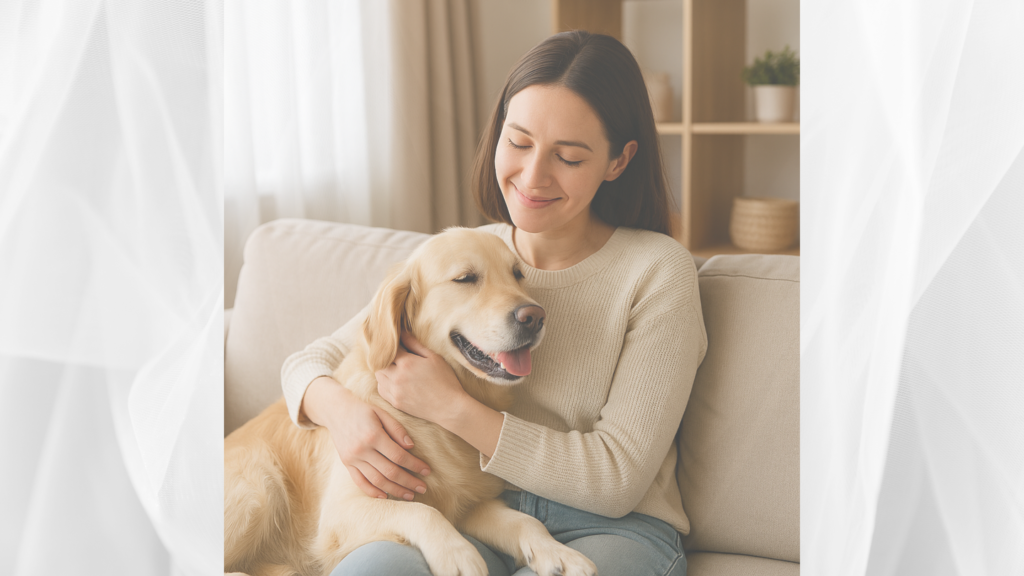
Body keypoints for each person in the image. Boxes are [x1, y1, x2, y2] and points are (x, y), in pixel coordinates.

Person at [281, 30, 707, 576]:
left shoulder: (656, 271)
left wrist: (452, 407)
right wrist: (339, 412)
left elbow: (616, 478)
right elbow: (308, 363)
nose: (532, 177)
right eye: (520, 141)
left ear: (618, 161)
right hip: (472, 513)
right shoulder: (468, 253)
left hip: (610, 526)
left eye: (569, 157)